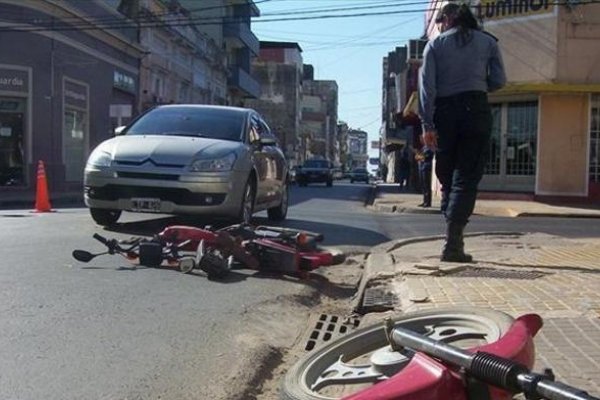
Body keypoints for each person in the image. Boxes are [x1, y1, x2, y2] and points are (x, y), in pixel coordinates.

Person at [418, 2, 506, 262]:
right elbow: (499, 81)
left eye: (440, 22)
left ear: (447, 20)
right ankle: (454, 242)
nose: (439, 27)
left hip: (445, 113)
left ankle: (451, 234)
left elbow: (427, 89)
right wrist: (478, 85)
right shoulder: (488, 42)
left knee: (446, 173)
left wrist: (427, 125)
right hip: (476, 109)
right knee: (466, 178)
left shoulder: (435, 45)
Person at [415, 142, 434, 208]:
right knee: (423, 185)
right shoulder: (424, 147)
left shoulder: (430, 147)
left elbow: (427, 157)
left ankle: (428, 202)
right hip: (421, 167)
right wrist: (418, 155)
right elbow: (418, 156)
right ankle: (425, 201)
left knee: (427, 185)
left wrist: (420, 156)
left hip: (426, 168)